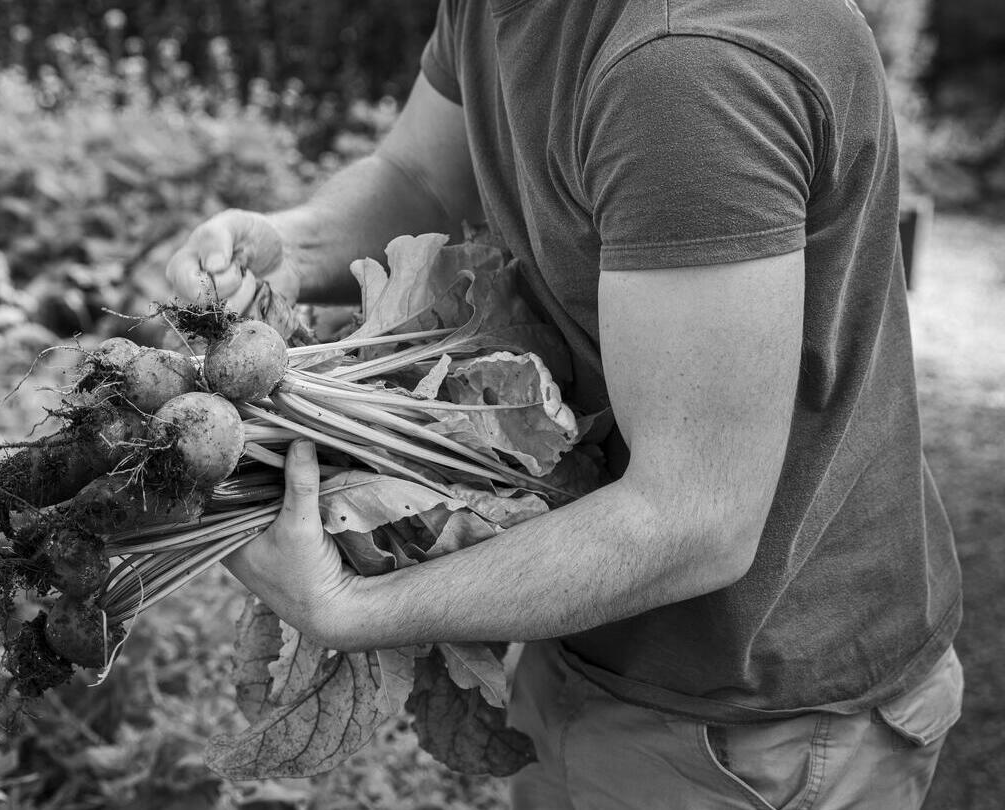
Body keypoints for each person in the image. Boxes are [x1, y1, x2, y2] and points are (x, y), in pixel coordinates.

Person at [163, 1, 963, 807]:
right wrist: (291, 250)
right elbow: (421, 180)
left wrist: (352, 607)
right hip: (582, 601)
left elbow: (696, 518)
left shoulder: (687, 71)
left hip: (752, 715)